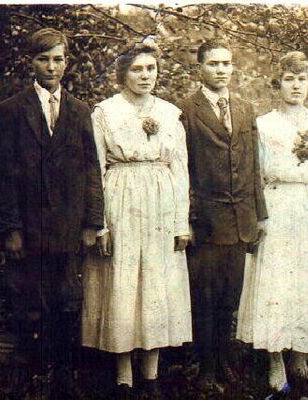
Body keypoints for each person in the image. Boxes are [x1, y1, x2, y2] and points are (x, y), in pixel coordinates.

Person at [0, 28, 104, 399]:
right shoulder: (10, 111)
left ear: (66, 63)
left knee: (67, 302)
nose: (51, 67)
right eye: (43, 59)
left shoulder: (81, 111)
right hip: (29, 228)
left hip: (68, 227)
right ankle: (30, 376)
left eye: (57, 59)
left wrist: (91, 222)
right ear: (31, 62)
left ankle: (62, 377)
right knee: (30, 303)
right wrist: (10, 229)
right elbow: (1, 175)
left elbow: (91, 171)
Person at [81, 39, 192, 398]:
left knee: (156, 283)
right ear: (122, 73)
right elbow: (95, 169)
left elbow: (180, 170)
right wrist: (100, 223)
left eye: (151, 69)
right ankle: (123, 372)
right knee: (123, 281)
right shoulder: (105, 112)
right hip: (121, 199)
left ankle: (151, 373)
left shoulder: (171, 114)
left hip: (161, 202)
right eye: (137, 69)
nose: (145, 76)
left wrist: (180, 221)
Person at [236, 51, 308, 397]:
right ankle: (275, 360)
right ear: (277, 83)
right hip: (279, 204)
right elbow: (255, 174)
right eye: (289, 78)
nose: (296, 85)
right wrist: (259, 216)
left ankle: (301, 355)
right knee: (277, 282)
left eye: (302, 79)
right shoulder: (265, 124)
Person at [178, 39, 267, 390]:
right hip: (206, 220)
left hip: (241, 218)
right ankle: (206, 368)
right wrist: (186, 216)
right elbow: (181, 168)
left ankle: (226, 362)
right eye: (214, 64)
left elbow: (253, 165)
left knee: (230, 298)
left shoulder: (245, 109)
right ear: (200, 67)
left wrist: (259, 214)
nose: (221, 70)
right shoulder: (186, 110)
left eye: (227, 64)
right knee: (205, 297)